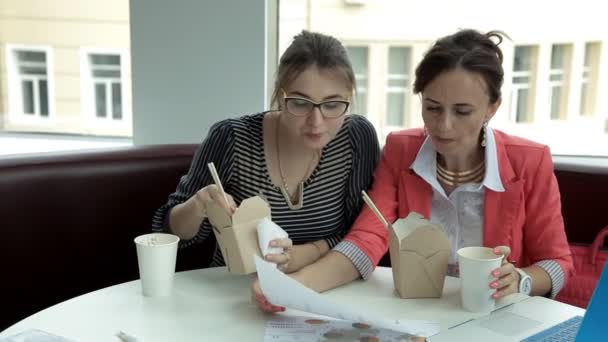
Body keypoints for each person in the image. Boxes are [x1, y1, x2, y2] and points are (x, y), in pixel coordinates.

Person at [151, 30, 380, 312]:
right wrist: (198, 205)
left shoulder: (356, 138)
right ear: (279, 95)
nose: (316, 122)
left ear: (349, 99)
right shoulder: (231, 138)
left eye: (333, 105)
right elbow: (170, 233)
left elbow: (361, 233)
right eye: (299, 103)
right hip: (231, 299)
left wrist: (302, 255)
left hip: (326, 295)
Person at [344, 29, 574, 300]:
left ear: (492, 107)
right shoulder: (400, 150)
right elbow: (367, 236)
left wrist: (521, 280)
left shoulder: (529, 161)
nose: (443, 125)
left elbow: (558, 263)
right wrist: (304, 283)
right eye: (432, 108)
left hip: (492, 314)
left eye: (462, 111)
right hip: (416, 310)